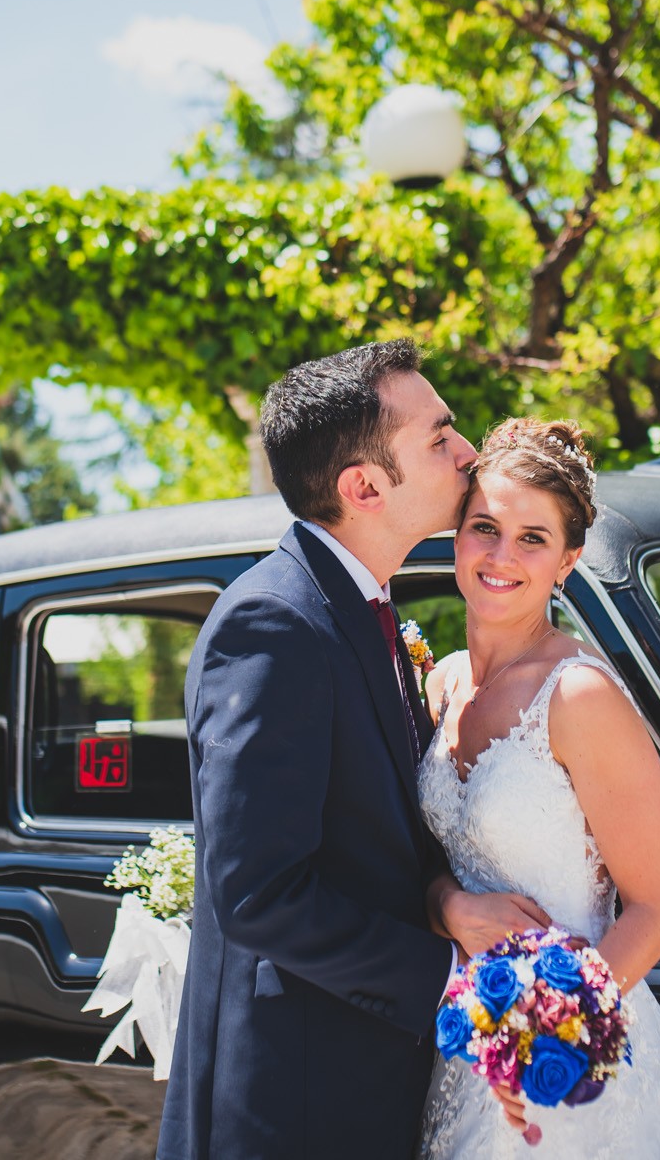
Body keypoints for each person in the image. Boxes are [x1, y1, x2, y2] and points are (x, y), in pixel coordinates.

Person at [159, 341, 545, 1160]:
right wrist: (451, 979)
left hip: (369, 1081)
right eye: (440, 438)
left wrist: (446, 901)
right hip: (298, 1104)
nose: (467, 452)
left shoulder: (360, 608)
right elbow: (259, 892)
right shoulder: (273, 624)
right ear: (363, 486)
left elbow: (375, 839)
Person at [417, 418, 660, 1158]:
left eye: (533, 538)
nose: (501, 555)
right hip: (465, 1048)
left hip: (573, 1054)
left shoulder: (580, 694)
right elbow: (428, 858)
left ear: (567, 560)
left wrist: (544, 1031)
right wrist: (448, 906)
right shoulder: (440, 686)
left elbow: (656, 908)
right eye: (484, 527)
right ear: (457, 536)